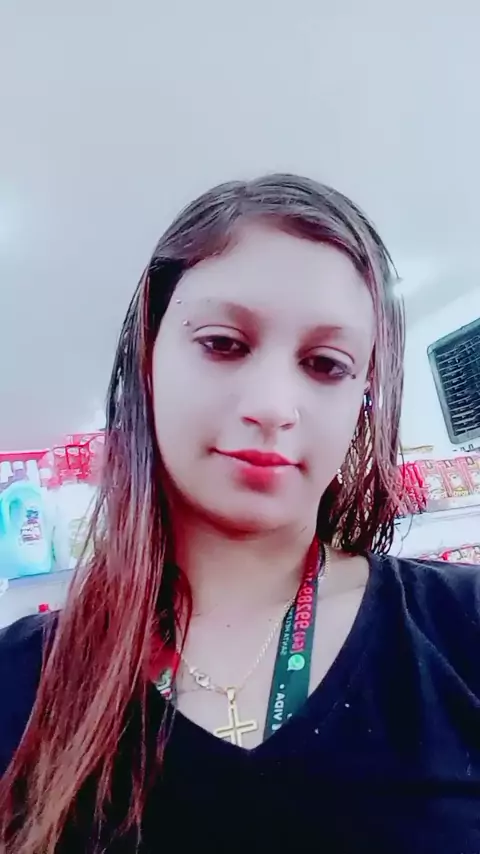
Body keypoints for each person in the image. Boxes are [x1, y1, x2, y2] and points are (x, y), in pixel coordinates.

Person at [0, 174, 479, 854]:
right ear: (148, 360)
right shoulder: (18, 682)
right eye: (224, 344)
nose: (274, 406)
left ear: (363, 398)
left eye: (326, 364)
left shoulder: (463, 628)